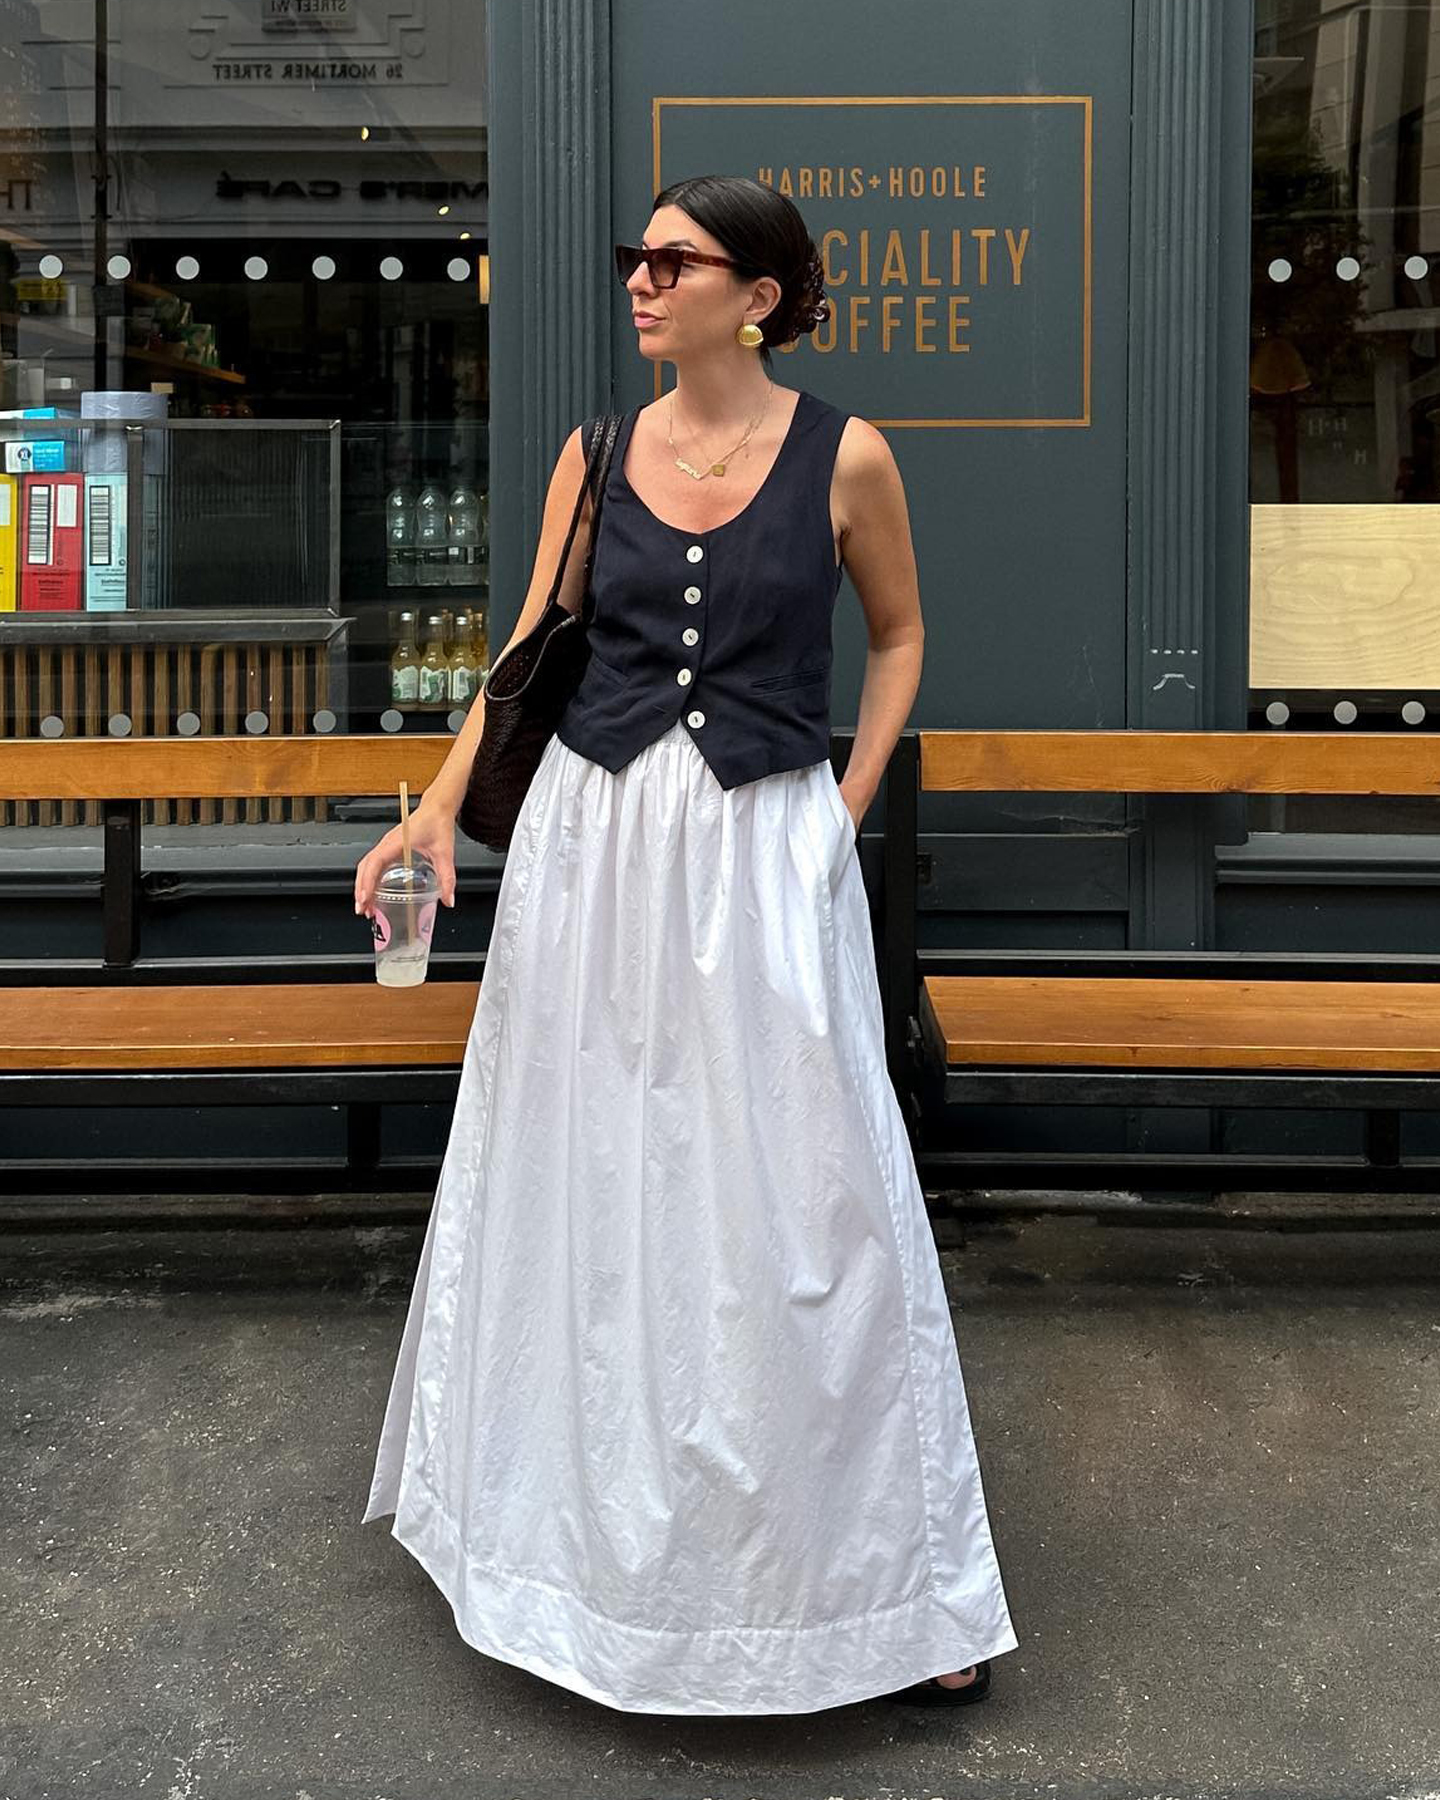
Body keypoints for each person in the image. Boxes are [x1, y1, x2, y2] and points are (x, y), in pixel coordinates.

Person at [356, 173, 1018, 1715]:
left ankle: (887, 1589)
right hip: (598, 848)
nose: (641, 282)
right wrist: (438, 815)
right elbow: (529, 654)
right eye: (633, 259)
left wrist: (843, 799)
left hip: (759, 846)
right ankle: (573, 1557)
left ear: (760, 294)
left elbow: (903, 632)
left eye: (674, 260)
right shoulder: (596, 455)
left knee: (810, 1199)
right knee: (591, 1175)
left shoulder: (849, 454)